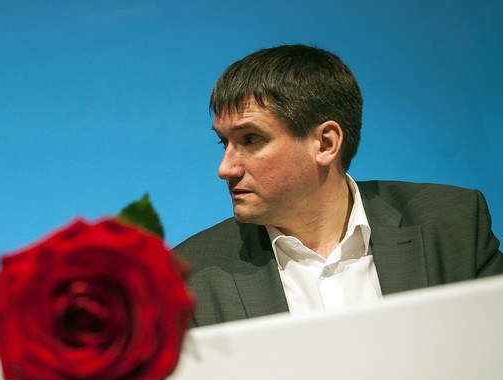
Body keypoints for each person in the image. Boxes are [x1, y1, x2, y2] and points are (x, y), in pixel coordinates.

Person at [175, 44, 503, 327]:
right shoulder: (190, 278)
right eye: (224, 143)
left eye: (251, 139)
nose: (225, 168)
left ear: (325, 143)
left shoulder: (452, 225)